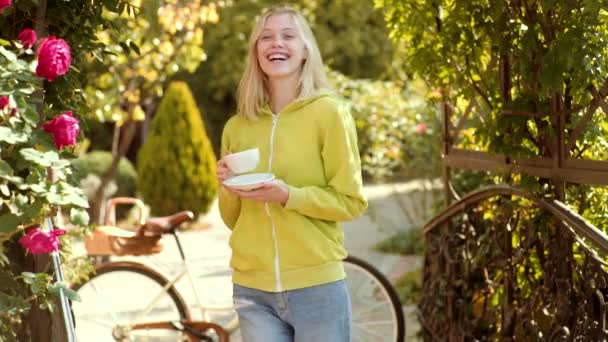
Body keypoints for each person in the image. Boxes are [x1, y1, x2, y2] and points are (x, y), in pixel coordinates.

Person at [216, 5, 367, 342]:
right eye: (265, 37)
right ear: (256, 52)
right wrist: (226, 186)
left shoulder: (329, 113)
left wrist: (289, 196)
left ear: (305, 51)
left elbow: (351, 202)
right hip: (253, 289)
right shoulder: (237, 126)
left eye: (288, 36)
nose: (276, 44)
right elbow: (232, 218)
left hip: (317, 286)